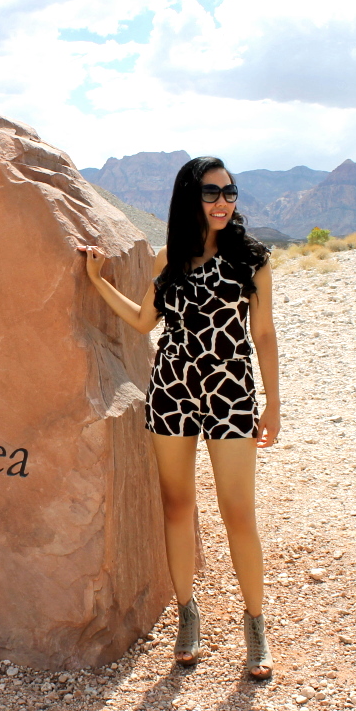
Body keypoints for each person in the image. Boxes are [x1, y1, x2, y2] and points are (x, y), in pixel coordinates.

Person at [79, 156, 279, 677]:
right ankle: (187, 615)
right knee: (177, 506)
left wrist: (273, 403)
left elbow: (264, 336)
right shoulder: (171, 257)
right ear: (191, 197)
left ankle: (255, 625)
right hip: (171, 390)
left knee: (239, 512)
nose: (222, 203)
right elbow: (146, 320)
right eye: (212, 193)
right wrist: (98, 281)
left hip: (231, 392)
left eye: (230, 193)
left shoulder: (251, 259)